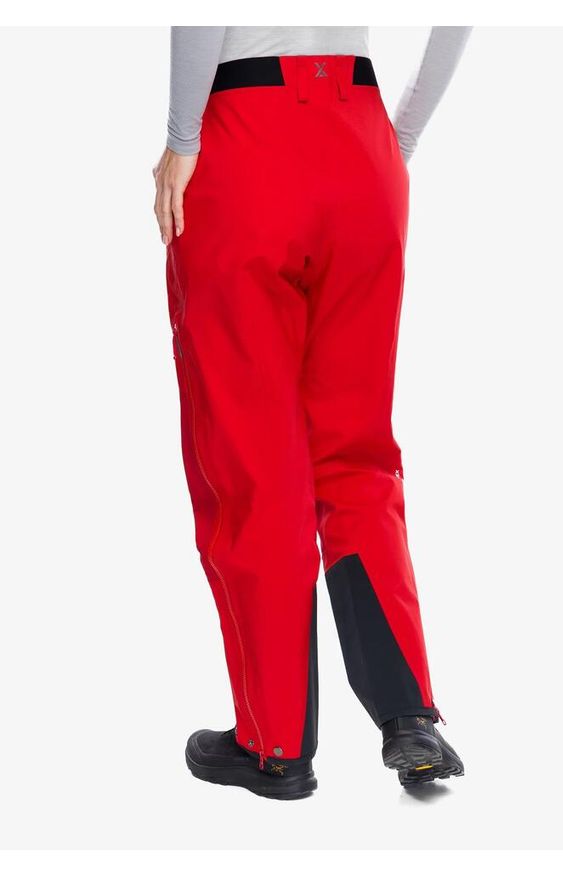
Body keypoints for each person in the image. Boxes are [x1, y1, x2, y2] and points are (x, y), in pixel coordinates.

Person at [154, 26, 471, 800]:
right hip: (360, 146)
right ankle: (409, 716)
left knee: (252, 459)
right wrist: (398, 138)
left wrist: (181, 140)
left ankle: (277, 744)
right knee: (357, 452)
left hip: (244, 143)